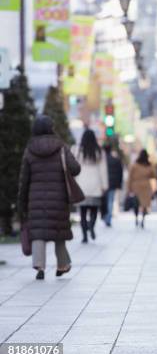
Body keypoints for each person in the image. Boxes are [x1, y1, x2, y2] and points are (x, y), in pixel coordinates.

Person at [18, 115, 81, 280]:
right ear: (51, 128)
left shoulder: (29, 149)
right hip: (58, 198)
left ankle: (39, 266)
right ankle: (63, 265)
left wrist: (22, 202)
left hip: (35, 198)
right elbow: (75, 169)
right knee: (58, 231)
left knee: (38, 232)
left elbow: (24, 179)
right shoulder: (61, 147)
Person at [75, 129, 108, 243]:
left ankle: (84, 236)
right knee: (94, 210)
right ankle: (91, 227)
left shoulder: (78, 151)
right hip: (95, 184)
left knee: (83, 212)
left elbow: (74, 168)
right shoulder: (99, 152)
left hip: (82, 184)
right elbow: (103, 170)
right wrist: (105, 185)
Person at [127, 149, 156, 228]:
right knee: (144, 205)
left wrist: (129, 188)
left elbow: (130, 177)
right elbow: (154, 175)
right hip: (146, 187)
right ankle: (143, 220)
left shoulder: (134, 165)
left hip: (136, 186)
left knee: (136, 204)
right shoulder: (149, 165)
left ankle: (136, 218)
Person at [102, 143, 123, 227]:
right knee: (110, 201)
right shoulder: (116, 160)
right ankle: (108, 218)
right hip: (113, 184)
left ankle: (105, 217)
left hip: (103, 184)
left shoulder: (101, 160)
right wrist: (119, 184)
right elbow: (120, 173)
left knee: (104, 201)